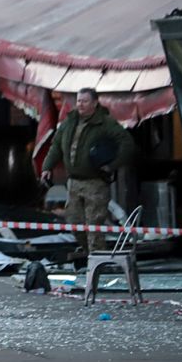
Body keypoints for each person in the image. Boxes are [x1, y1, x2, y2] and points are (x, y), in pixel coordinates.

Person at [40, 88, 136, 254]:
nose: (80, 104)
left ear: (94, 103)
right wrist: (47, 167)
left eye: (84, 101)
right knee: (74, 223)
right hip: (74, 183)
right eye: (78, 101)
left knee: (94, 226)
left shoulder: (105, 123)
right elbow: (56, 145)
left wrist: (112, 165)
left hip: (95, 183)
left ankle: (97, 261)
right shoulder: (69, 122)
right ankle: (89, 254)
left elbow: (127, 144)